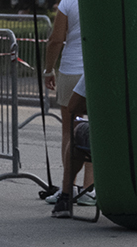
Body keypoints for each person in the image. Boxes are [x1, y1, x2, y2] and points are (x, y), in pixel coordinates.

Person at [42, 0, 94, 205]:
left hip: (71, 69)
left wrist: (48, 69)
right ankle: (89, 188)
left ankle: (68, 186)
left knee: (69, 131)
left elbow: (56, 39)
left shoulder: (69, 1)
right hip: (94, 69)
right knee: (93, 129)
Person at [51, 74, 92, 219]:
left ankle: (66, 195)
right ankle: (90, 189)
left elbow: (73, 106)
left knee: (77, 132)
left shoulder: (97, 68)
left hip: (109, 137)